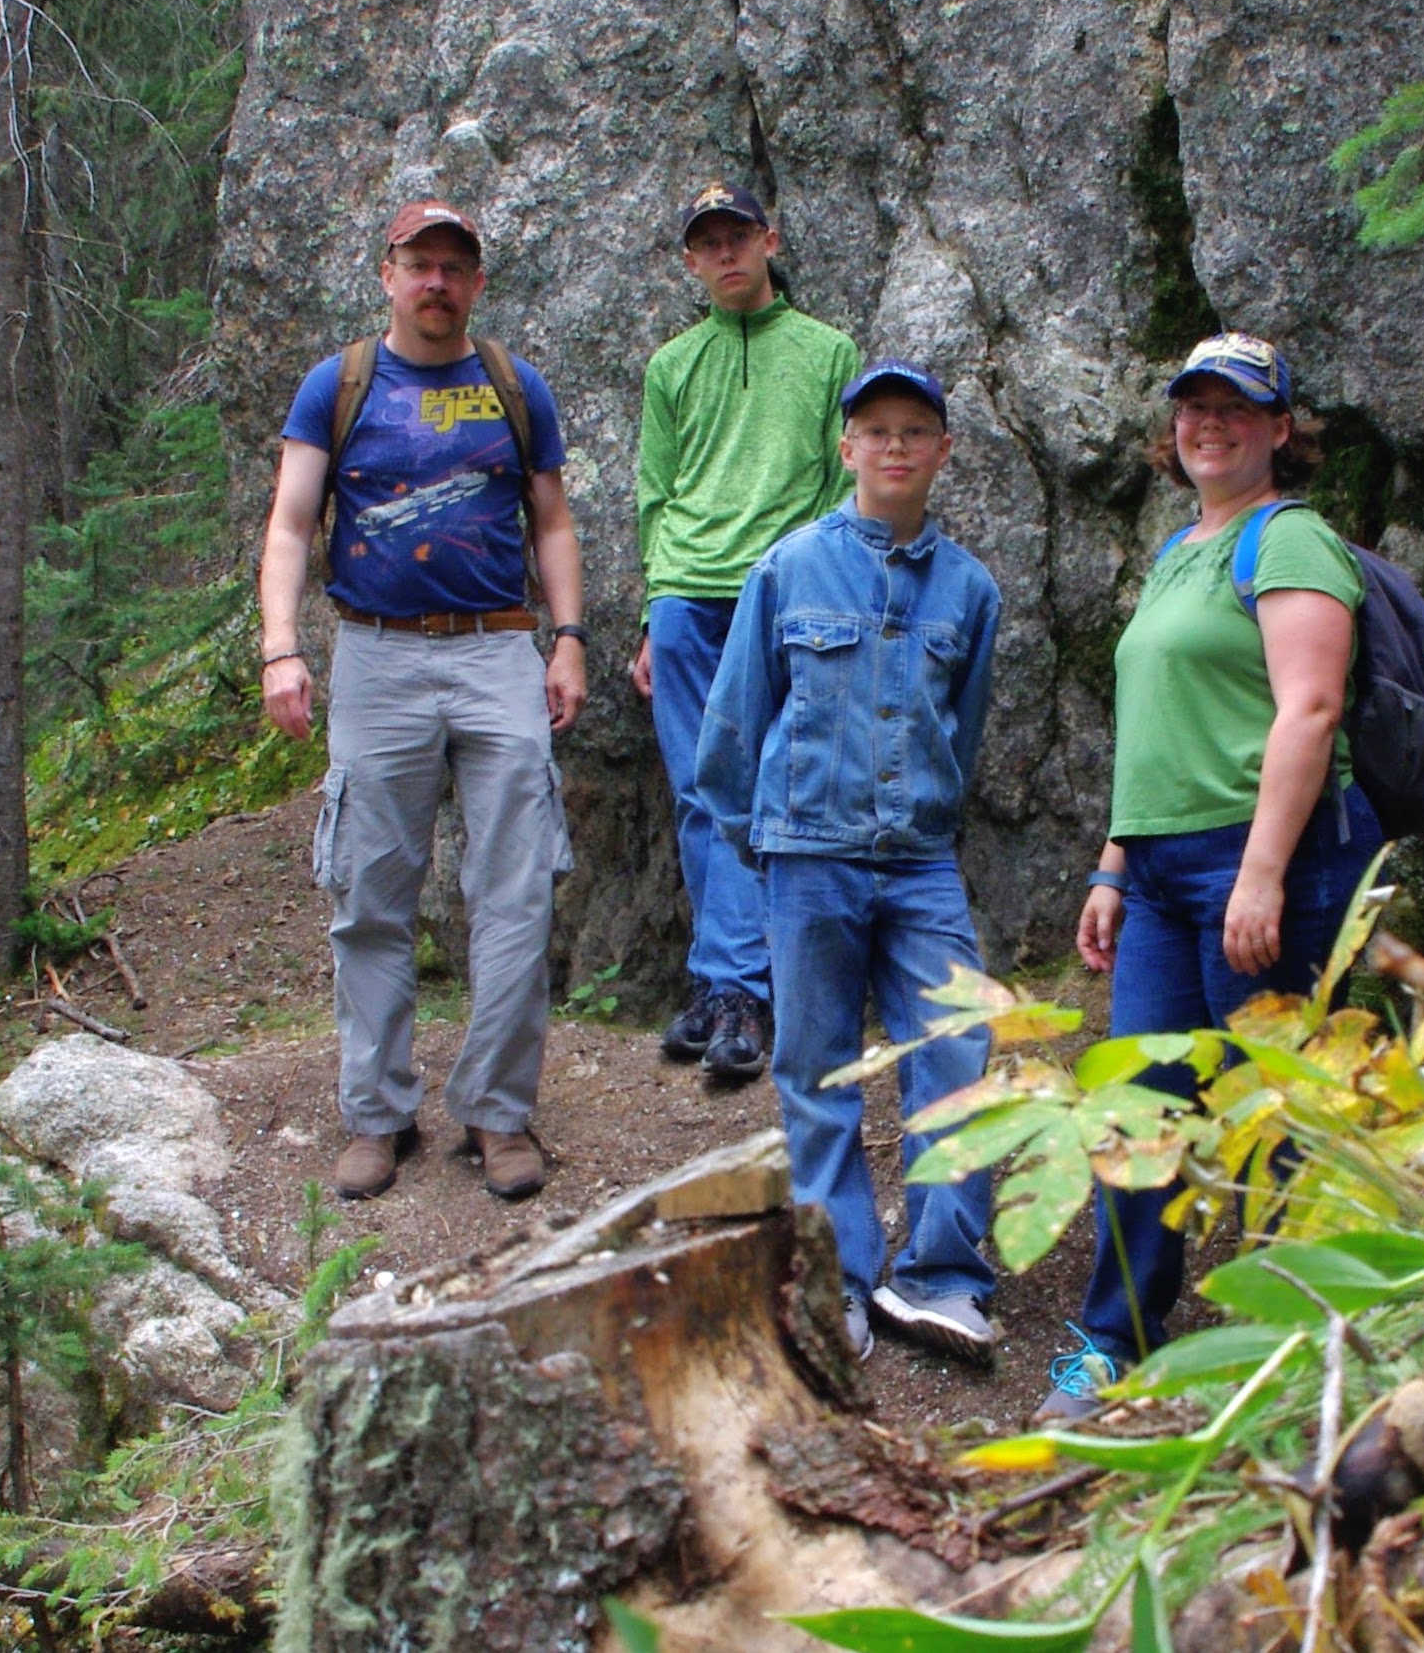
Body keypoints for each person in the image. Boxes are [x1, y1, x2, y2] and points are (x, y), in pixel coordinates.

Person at [1037, 332, 1383, 1421]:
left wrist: (1264, 873)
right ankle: (1115, 1341)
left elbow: (1311, 710)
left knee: (1268, 1108)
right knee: (1140, 1105)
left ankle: (1289, 1346)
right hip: (1159, 875)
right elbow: (1157, 729)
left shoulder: (1293, 540)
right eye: (1192, 405)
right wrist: (1110, 866)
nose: (1209, 423)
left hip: (1261, 859)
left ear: (1282, 428)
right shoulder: (1185, 549)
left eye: (1236, 406)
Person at [257, 199, 587, 1204]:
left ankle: (496, 1111)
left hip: (496, 651)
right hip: (376, 657)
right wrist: (281, 648)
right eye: (419, 264)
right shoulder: (340, 386)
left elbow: (554, 523)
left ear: (477, 282)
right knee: (368, 892)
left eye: (455, 266)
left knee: (517, 890)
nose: (436, 281)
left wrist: (567, 637)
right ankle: (377, 1111)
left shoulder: (512, 386)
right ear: (388, 272)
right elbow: (290, 525)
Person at [696, 360, 1003, 1365]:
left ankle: (945, 1276)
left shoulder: (970, 589)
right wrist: (767, 844)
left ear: (944, 450)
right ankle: (844, 1280)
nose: (897, 446)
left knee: (954, 1051)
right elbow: (734, 726)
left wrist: (928, 815)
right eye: (876, 430)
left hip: (920, 863)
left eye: (918, 430)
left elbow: (963, 727)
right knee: (817, 1068)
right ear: (847, 449)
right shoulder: (787, 569)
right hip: (807, 857)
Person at [634, 181, 862, 1085]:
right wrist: (652, 609)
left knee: (780, 793)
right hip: (688, 595)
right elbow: (656, 492)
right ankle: (729, 985)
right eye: (707, 244)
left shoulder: (828, 349)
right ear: (690, 261)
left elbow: (839, 482)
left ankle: (739, 985)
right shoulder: (671, 365)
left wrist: (813, 585)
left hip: (780, 595)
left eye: (739, 237)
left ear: (768, 240)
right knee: (702, 792)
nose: (725, 255)